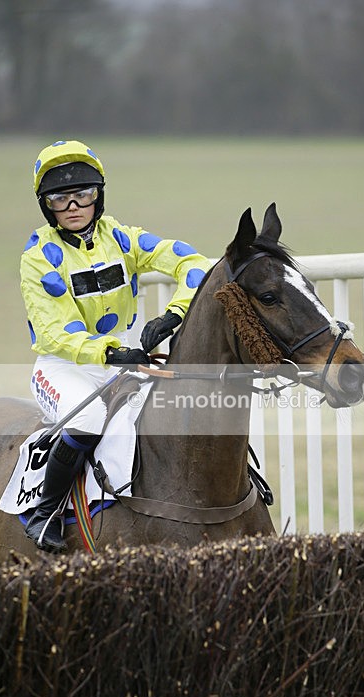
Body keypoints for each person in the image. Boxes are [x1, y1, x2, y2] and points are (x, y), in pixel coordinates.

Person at [21, 139, 211, 553]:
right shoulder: (38, 256)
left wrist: (173, 315)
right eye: (59, 199)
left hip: (124, 360)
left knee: (176, 409)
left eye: (83, 194)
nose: (73, 206)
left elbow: (195, 263)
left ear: (99, 196)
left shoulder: (122, 238)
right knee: (89, 419)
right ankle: (46, 511)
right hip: (63, 366)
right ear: (46, 206)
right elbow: (56, 333)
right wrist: (111, 352)